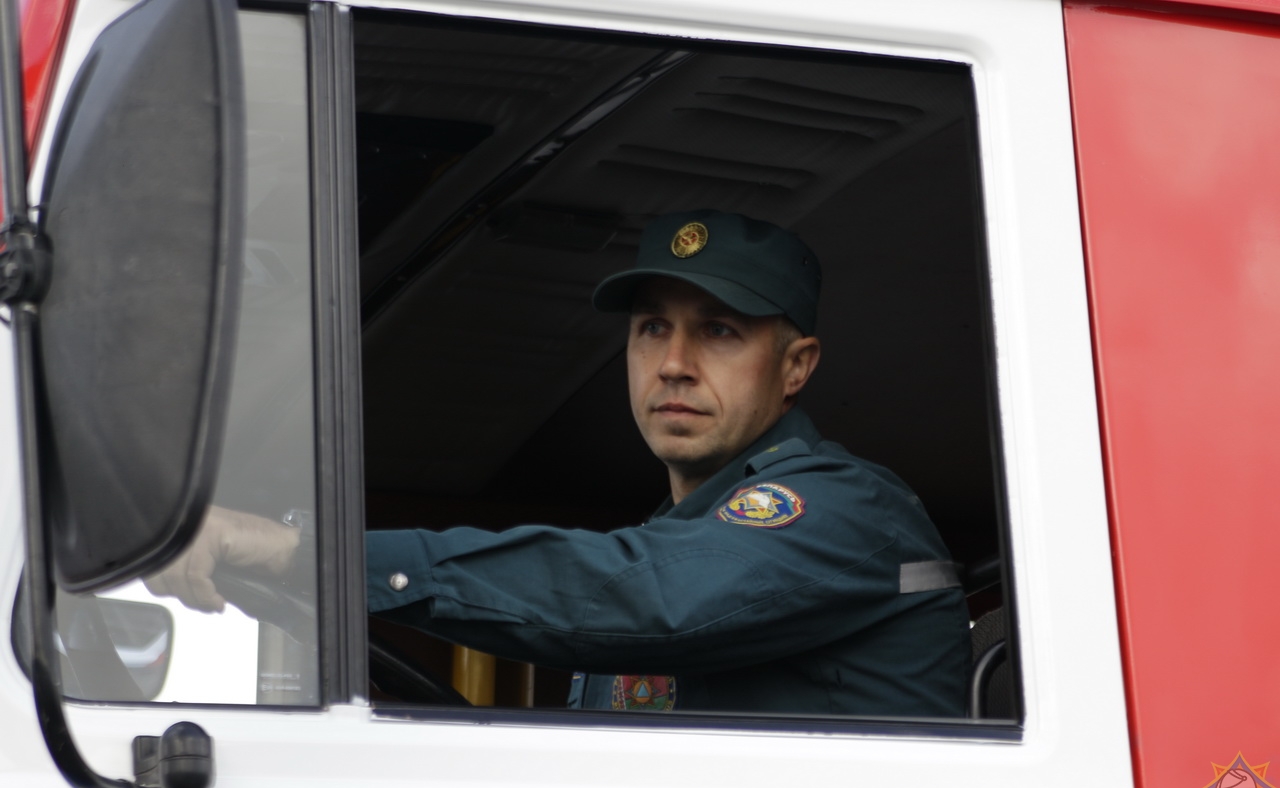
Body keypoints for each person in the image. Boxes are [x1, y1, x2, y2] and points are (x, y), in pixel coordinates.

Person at [146, 210, 971, 717]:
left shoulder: (845, 511)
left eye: (719, 330)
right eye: (653, 327)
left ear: (796, 366)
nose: (674, 362)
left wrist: (302, 551)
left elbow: (648, 595)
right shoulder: (672, 542)